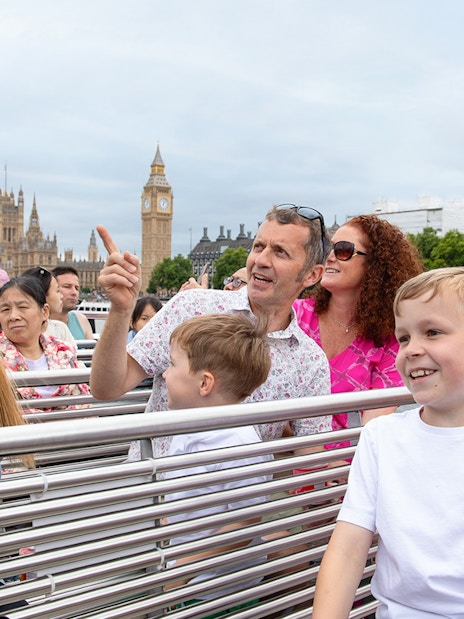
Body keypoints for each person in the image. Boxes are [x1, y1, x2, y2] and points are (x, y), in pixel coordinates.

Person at [90, 204, 332, 460]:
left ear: (312, 274)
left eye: (280, 252)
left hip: (238, 497)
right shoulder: (192, 306)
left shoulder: (310, 363)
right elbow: (107, 389)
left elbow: (309, 463)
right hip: (154, 487)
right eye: (258, 247)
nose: (260, 260)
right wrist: (121, 310)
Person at [312, 267, 464, 618]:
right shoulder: (383, 437)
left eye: (432, 332)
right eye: (405, 337)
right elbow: (348, 548)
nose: (411, 349)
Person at [162, 313, 273, 609]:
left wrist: (185, 569)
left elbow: (245, 520)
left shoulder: (238, 444)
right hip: (184, 576)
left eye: (172, 364)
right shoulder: (188, 425)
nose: (164, 374)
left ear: (204, 383)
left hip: (218, 590)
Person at [294, 215, 423, 436]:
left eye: (343, 250)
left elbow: (372, 428)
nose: (330, 257)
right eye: (328, 249)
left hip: (343, 464)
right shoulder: (294, 315)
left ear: (375, 266)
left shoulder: (390, 341)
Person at [0, 277, 89, 409]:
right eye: (5, 309)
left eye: (22, 307)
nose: (13, 316)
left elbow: (84, 404)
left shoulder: (64, 351)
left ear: (45, 312)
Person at [22, 266, 77, 348]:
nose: (61, 296)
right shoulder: (19, 332)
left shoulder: (60, 329)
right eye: (57, 291)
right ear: (42, 295)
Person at [51, 266, 94, 340]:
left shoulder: (81, 320)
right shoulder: (37, 324)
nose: (74, 293)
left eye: (76, 288)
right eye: (67, 287)